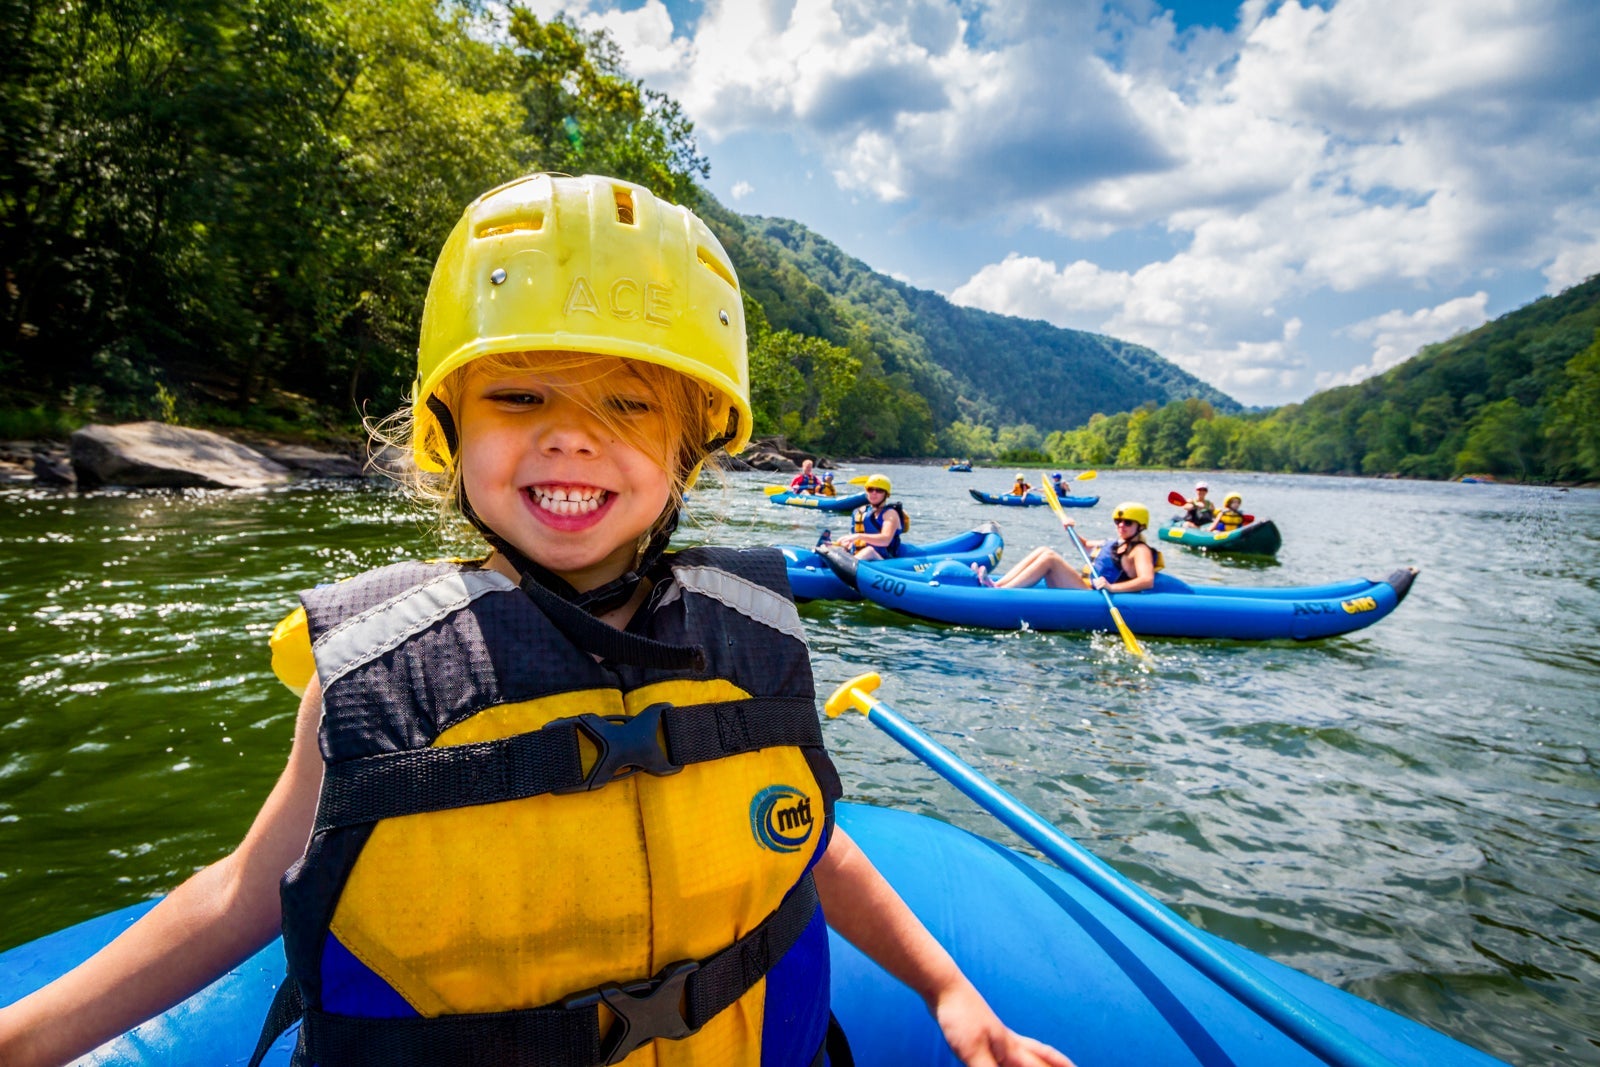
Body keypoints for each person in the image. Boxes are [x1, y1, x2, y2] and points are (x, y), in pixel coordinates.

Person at [0, 176, 1071, 1067]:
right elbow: (241, 894)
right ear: (447, 432)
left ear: (690, 450)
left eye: (625, 405)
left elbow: (805, 842)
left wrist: (950, 993)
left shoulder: (748, 636)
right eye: (519, 399)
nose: (569, 440)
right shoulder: (377, 677)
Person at [976, 503, 1159, 594]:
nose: (1121, 525)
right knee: (1044, 550)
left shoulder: (1139, 550)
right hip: (1085, 587)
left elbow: (1146, 580)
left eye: (1127, 522)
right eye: (1118, 521)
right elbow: (1085, 545)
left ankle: (1001, 593)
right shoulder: (1114, 543)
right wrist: (1069, 528)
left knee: (1050, 559)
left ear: (1141, 526)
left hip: (1092, 595)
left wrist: (1112, 588)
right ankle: (998, 584)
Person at [848, 473, 908, 561]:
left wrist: (858, 536)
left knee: (869, 551)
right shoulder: (861, 512)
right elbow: (854, 538)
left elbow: (885, 540)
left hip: (884, 561)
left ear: (886, 494)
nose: (874, 493)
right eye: (870, 489)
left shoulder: (890, 513)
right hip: (860, 556)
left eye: (879, 490)